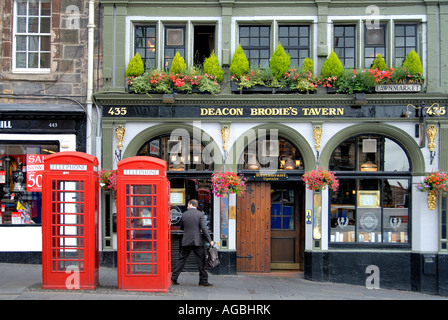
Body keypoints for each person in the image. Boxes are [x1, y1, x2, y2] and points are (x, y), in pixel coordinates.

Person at [171, 199, 214, 286]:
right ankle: (203, 280)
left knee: (182, 260)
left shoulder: (184, 214)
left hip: (186, 240)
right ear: (196, 205)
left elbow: (181, 227)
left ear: (191, 204)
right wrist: (210, 240)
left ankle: (174, 278)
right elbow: (204, 228)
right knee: (201, 261)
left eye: (188, 204)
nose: (187, 206)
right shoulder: (200, 214)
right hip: (197, 241)